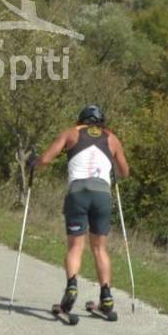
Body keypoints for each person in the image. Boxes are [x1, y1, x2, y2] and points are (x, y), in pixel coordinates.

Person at [30, 104, 130, 316]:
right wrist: (111, 167)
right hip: (102, 194)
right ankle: (106, 296)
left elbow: (45, 160)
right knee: (100, 248)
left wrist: (33, 162)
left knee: (76, 246)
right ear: (101, 122)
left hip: (78, 193)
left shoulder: (70, 133)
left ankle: (72, 286)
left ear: (81, 120)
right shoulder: (111, 138)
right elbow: (125, 171)